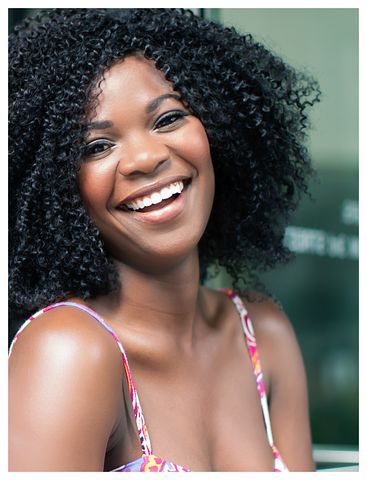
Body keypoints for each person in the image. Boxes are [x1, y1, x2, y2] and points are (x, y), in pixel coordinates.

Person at [8, 8, 320, 472]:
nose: (146, 158)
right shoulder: (69, 353)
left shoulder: (264, 333)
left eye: (168, 118)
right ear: (55, 187)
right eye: (97, 146)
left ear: (218, 129)